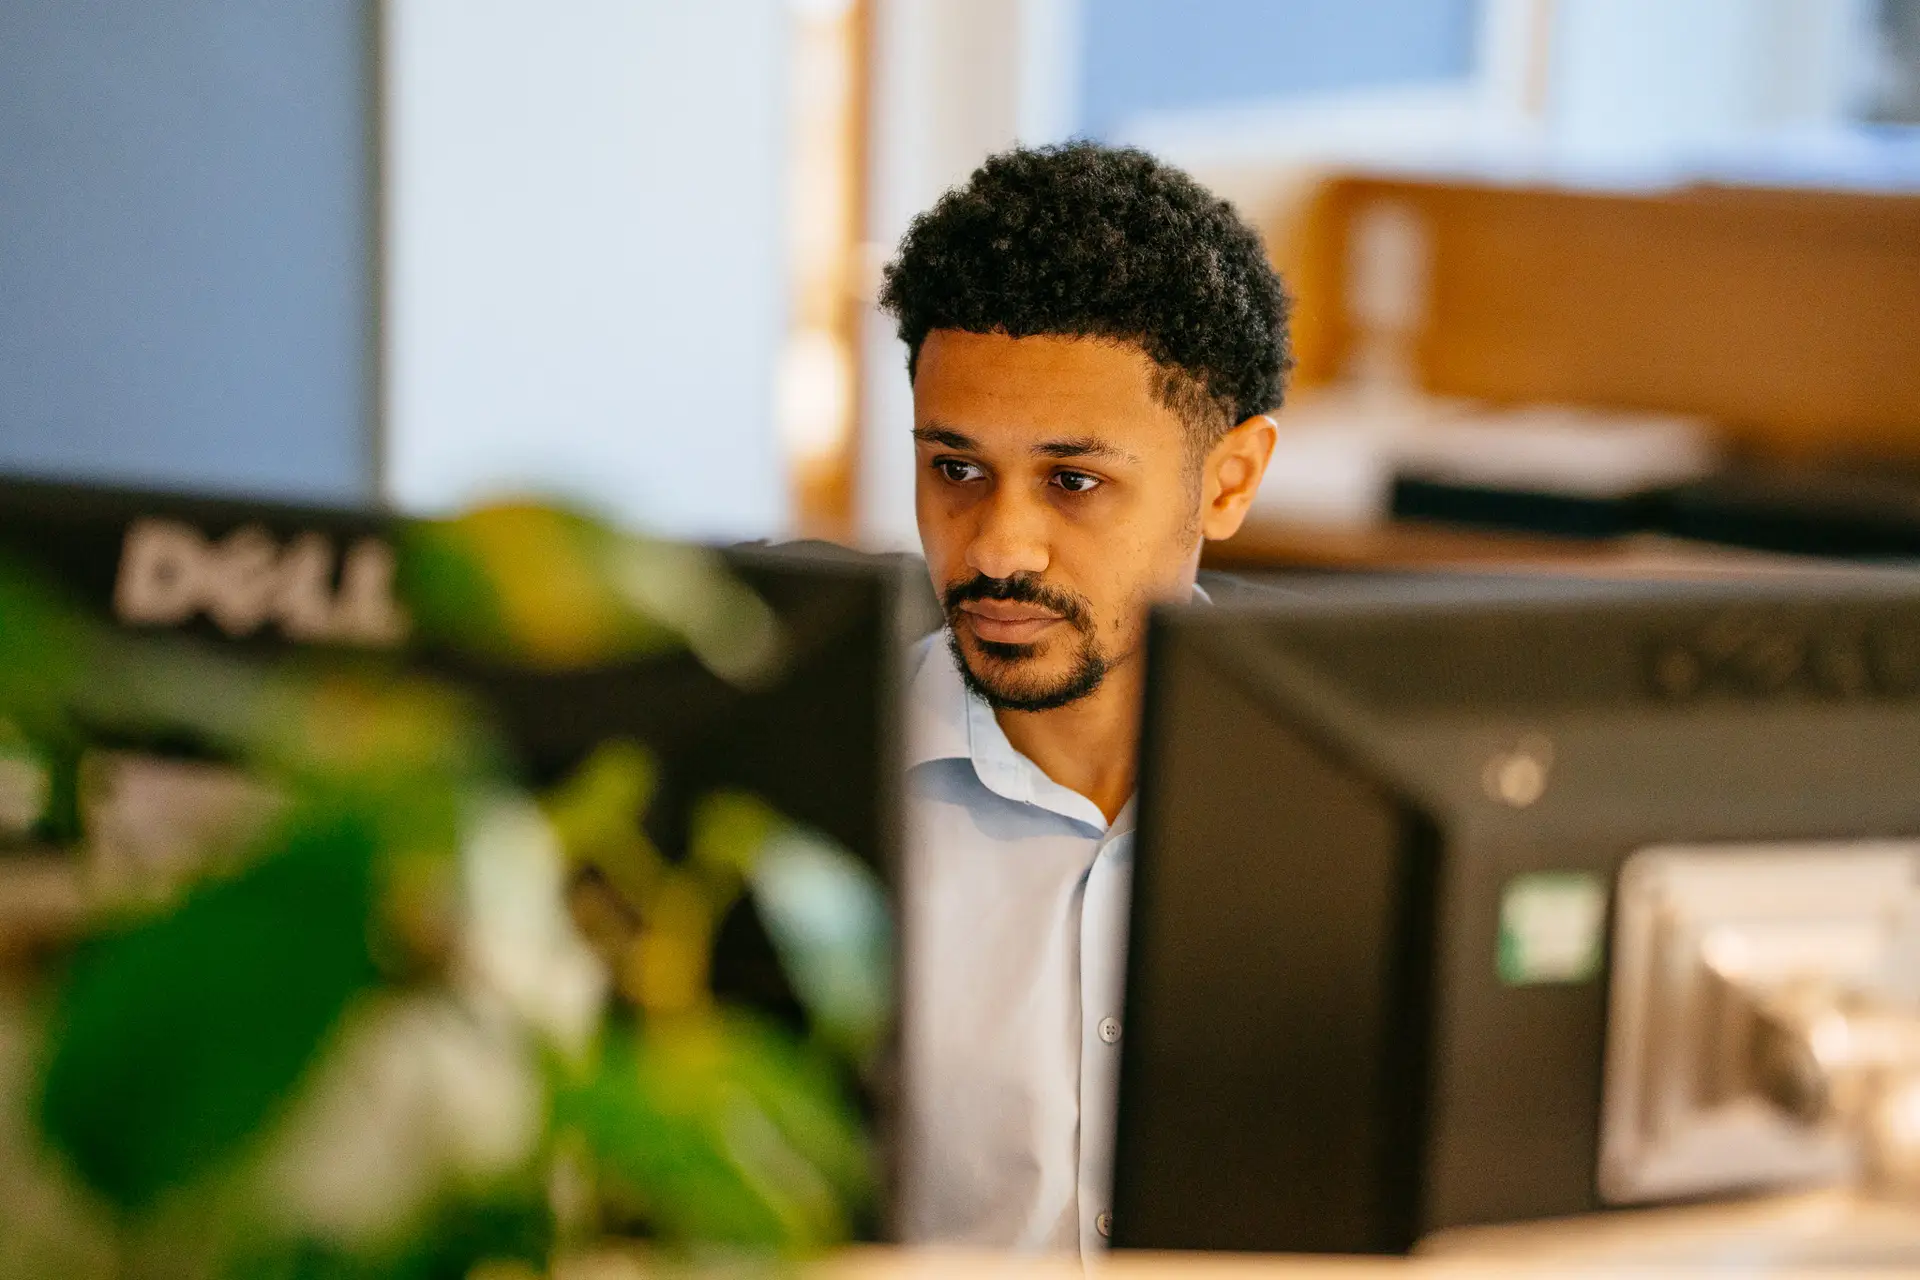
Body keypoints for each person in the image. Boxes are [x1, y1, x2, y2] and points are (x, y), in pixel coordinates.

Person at [879, 141, 1292, 1252]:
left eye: (1074, 481)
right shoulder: (810, 792)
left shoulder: (1340, 802)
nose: (1000, 546)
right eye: (954, 469)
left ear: (1231, 479)